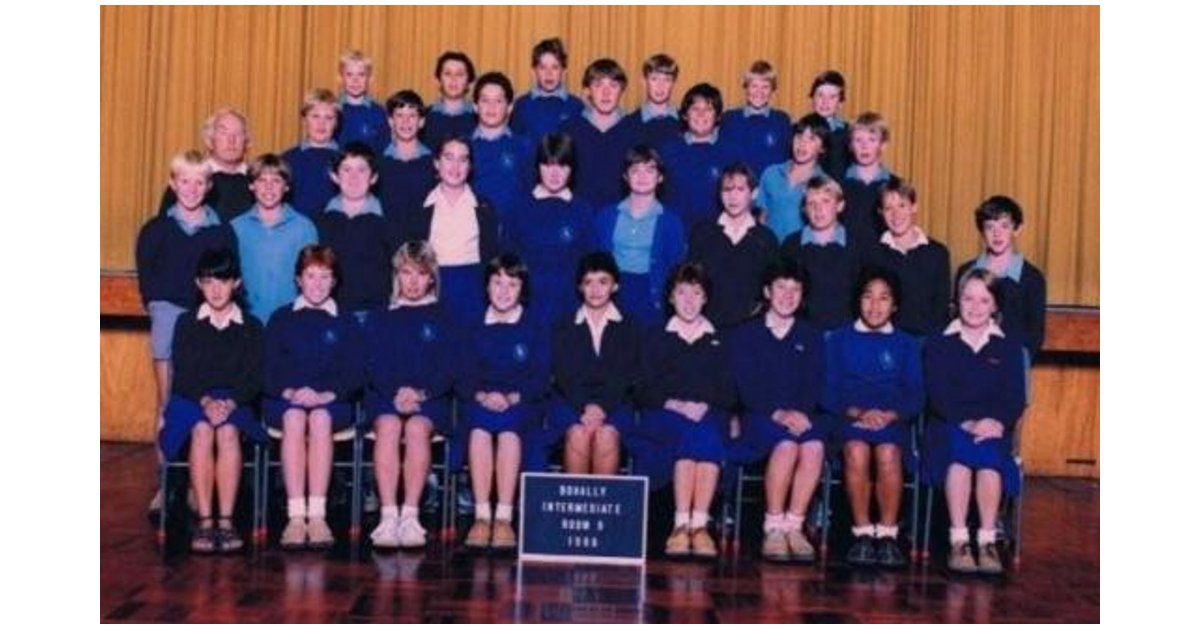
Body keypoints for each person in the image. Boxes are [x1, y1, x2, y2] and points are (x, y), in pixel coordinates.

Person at [159, 247, 265, 554]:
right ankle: (205, 521)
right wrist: (206, 402)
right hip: (193, 398)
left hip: (236, 399)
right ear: (198, 284)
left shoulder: (253, 326)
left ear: (237, 284)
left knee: (228, 431)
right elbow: (184, 374)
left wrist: (230, 404)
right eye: (208, 281)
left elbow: (255, 377)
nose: (216, 289)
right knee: (203, 430)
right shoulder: (186, 323)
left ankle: (227, 520)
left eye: (223, 280)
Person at [923, 269, 1026, 575]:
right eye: (968, 298)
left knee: (990, 460)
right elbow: (937, 393)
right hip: (948, 426)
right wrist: (966, 423)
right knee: (959, 460)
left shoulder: (1009, 348)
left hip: (993, 429)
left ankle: (986, 540)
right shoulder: (939, 343)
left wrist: (996, 422)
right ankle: (958, 541)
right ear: (957, 300)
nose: (975, 306)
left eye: (984, 300)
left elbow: (1015, 398)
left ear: (995, 305)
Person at [263, 245, 364, 549]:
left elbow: (356, 370)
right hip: (286, 400)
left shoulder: (346, 320)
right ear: (298, 279)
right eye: (311, 276)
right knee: (294, 417)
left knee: (319, 418)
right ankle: (296, 516)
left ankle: (317, 515)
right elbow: (267, 369)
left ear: (334, 282)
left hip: (332, 401)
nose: (317, 284)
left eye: (325, 277)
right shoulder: (281, 318)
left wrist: (326, 394)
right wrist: (291, 391)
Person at [823, 267, 924, 568]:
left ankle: (888, 535)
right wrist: (858, 413)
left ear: (894, 305)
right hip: (849, 418)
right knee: (856, 450)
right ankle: (863, 532)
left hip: (891, 422)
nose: (875, 305)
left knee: (888, 452)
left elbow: (916, 394)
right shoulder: (839, 339)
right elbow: (828, 391)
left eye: (883, 299)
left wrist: (890, 415)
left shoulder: (906, 343)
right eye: (868, 297)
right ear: (858, 301)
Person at [635, 263, 737, 559]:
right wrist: (676, 404)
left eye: (696, 293)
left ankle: (695, 526)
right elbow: (642, 388)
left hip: (708, 413)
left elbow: (730, 390)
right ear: (670, 297)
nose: (689, 300)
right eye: (682, 293)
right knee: (697, 435)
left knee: (703, 432)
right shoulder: (655, 336)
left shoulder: (720, 339)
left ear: (706, 298)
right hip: (663, 414)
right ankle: (686, 525)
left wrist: (703, 404)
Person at [364, 241, 459, 549]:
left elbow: (449, 367)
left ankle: (411, 516)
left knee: (417, 428)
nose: (413, 282)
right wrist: (395, 393)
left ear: (432, 277)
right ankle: (389, 515)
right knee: (389, 426)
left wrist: (420, 393)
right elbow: (374, 363)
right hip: (385, 396)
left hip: (430, 398)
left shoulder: (445, 316)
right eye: (406, 273)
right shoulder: (381, 316)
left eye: (421, 274)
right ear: (397, 276)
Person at [731, 258, 826, 562]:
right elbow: (744, 385)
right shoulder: (747, 333)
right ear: (767, 292)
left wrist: (801, 413)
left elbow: (815, 381)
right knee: (785, 446)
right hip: (760, 416)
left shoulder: (811, 335)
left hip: (801, 415)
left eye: (795, 289)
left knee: (813, 446)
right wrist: (777, 414)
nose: (788, 295)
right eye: (781, 287)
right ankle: (773, 526)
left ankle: (794, 526)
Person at [460, 254, 550, 551]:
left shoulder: (535, 326)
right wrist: (483, 396)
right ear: (486, 287)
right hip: (481, 401)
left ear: (522, 289)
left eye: (512, 284)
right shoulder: (472, 324)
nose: (503, 290)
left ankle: (504, 518)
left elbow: (542, 375)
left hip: (522, 403)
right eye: (497, 282)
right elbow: (463, 373)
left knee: (510, 431)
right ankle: (482, 516)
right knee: (479, 432)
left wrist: (512, 397)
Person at [547, 252, 640, 475]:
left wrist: (602, 408)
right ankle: (574, 509)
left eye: (603, 282)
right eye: (588, 282)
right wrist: (584, 407)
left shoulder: (630, 326)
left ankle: (603, 507)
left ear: (615, 286)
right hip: (571, 403)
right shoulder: (563, 325)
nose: (595, 290)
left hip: (616, 404)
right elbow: (562, 374)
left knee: (606, 435)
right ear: (579, 287)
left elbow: (627, 375)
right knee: (578, 434)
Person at [397, 136, 500, 325]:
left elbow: (492, 257)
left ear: (470, 166)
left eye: (463, 159)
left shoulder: (484, 207)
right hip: (431, 288)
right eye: (449, 158)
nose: (456, 166)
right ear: (437, 163)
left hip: (473, 291)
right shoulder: (418, 206)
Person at [505, 132, 595, 326]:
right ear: (538, 167)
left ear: (572, 169)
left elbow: (590, 268)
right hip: (527, 309)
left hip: (570, 307)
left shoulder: (584, 211)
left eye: (562, 165)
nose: (554, 174)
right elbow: (509, 265)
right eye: (547, 165)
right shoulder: (518, 209)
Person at [594, 145, 686, 326]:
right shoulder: (606, 216)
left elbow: (676, 270)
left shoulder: (671, 222)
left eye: (650, 170)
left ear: (660, 177)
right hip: (613, 292)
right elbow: (595, 261)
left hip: (651, 294)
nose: (642, 177)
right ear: (625, 177)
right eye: (635, 170)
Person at [687, 163, 779, 329]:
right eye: (727, 190)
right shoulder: (703, 232)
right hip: (707, 325)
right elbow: (691, 281)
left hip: (751, 327)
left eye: (740, 189)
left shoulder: (766, 238)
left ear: (754, 193)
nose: (733, 197)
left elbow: (771, 289)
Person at [231, 154, 319, 325]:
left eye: (276, 181)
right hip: (246, 322)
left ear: (286, 187)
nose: (269, 188)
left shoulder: (304, 228)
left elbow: (314, 279)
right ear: (251, 185)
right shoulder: (236, 228)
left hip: (292, 321)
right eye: (262, 180)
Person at [865, 178, 951, 336]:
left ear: (914, 207)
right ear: (881, 212)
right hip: (885, 341)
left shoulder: (937, 253)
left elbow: (940, 309)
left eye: (902, 205)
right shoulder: (872, 254)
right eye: (888, 208)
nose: (896, 214)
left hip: (925, 342)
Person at [556, 58, 641, 208]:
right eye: (598, 85)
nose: (606, 92)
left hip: (621, 219)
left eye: (613, 85)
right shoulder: (568, 130)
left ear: (622, 90)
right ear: (587, 90)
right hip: (578, 217)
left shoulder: (635, 130)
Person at [757, 114, 831, 243]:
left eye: (811, 139)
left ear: (822, 148)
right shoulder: (771, 173)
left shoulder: (824, 183)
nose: (802, 144)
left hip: (802, 255)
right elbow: (763, 218)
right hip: (769, 253)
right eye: (799, 136)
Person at [719, 60, 791, 178]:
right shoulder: (729, 119)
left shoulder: (782, 121)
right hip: (736, 191)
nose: (759, 92)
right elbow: (722, 159)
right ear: (746, 87)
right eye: (754, 86)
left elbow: (787, 164)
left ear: (772, 89)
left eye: (765, 87)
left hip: (770, 192)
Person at [510, 37, 585, 143]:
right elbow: (514, 145)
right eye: (543, 67)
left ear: (564, 71)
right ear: (534, 70)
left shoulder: (576, 106)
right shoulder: (522, 104)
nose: (549, 74)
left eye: (555, 67)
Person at [282, 88, 341, 217]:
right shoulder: (286, 159)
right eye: (315, 116)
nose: (321, 123)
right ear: (304, 120)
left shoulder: (346, 160)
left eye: (329, 118)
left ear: (336, 122)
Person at [334, 50, 390, 154]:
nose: (355, 80)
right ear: (340, 78)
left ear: (370, 79)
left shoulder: (379, 112)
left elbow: (384, 150)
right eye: (349, 75)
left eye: (361, 75)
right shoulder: (333, 110)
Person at [423, 51, 478, 151]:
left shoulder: (480, 117)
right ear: (439, 80)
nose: (453, 79)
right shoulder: (424, 116)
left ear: (468, 82)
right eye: (447, 73)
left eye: (460, 74)